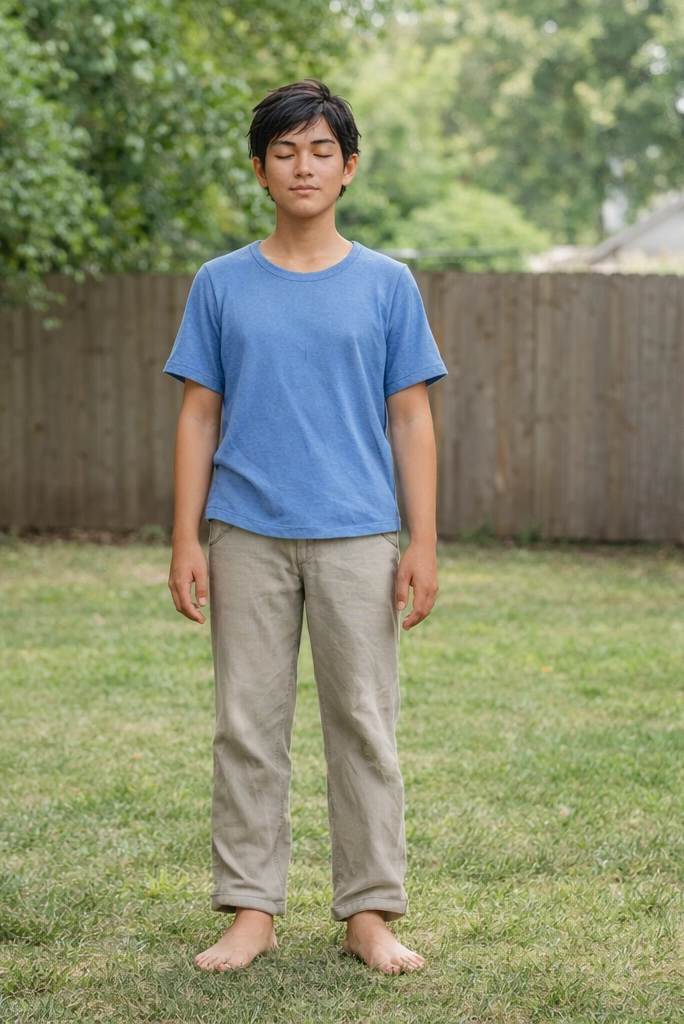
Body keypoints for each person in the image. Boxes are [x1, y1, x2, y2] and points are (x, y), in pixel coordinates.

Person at [163, 79, 446, 976]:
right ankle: (250, 910)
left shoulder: (388, 284)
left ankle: (370, 912)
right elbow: (198, 415)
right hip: (243, 533)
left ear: (348, 167)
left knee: (363, 724)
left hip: (359, 536)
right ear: (260, 170)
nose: (304, 166)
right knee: (246, 726)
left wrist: (423, 542)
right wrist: (184, 538)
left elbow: (411, 418)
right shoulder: (220, 284)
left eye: (321, 150)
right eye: (285, 151)